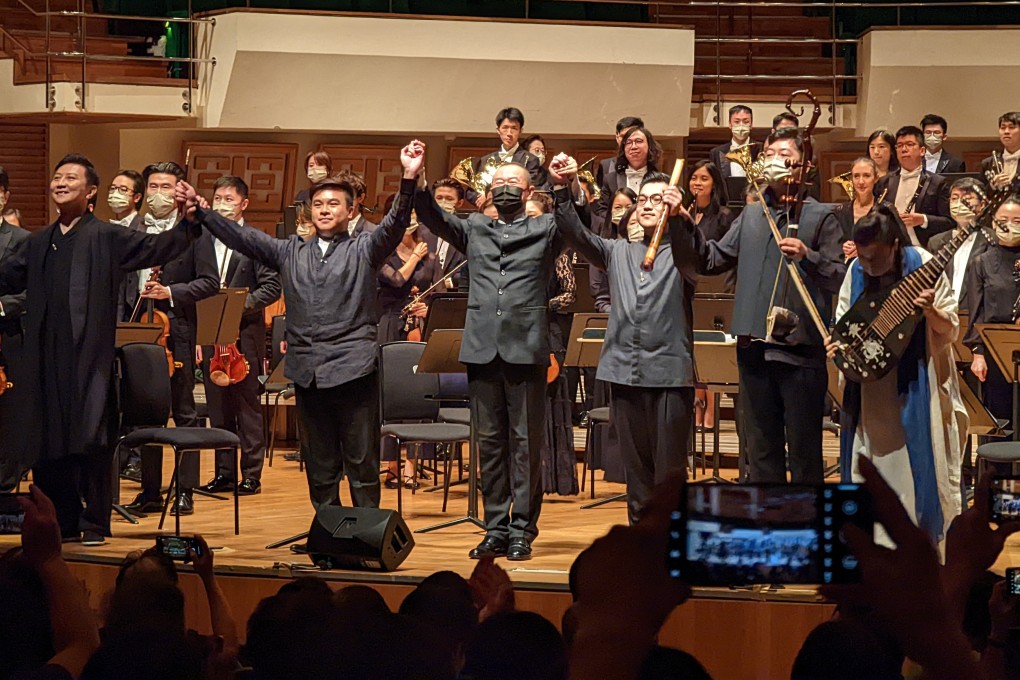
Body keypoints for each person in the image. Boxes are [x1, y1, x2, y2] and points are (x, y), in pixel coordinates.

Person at [177, 140, 425, 511]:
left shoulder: (364, 248)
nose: (324, 209)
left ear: (350, 210)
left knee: (361, 462)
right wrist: (203, 213)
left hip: (354, 368)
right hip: (309, 371)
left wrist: (409, 176)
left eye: (334, 203)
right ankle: (328, 529)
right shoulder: (289, 250)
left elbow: (395, 224)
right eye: (319, 204)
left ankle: (365, 532)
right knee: (320, 465)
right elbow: (243, 237)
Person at [0, 153, 204, 541]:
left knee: (91, 438)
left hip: (88, 360)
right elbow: (6, 276)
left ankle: (93, 521)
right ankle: (57, 522)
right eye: (57, 177)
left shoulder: (108, 236)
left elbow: (158, 247)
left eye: (71, 178)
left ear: (91, 191)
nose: (61, 183)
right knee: (47, 440)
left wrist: (190, 220)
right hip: (44, 359)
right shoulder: (39, 241)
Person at [413, 160, 578, 561]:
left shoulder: (545, 228)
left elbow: (577, 227)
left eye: (513, 181)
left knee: (525, 444)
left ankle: (522, 530)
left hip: (526, 349)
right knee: (488, 444)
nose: (505, 186)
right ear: (489, 190)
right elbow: (432, 216)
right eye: (499, 181)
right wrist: (416, 179)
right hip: (483, 349)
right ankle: (496, 528)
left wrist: (563, 187)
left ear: (527, 191)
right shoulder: (474, 227)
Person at [682, 128, 846, 484]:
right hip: (752, 346)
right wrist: (684, 225)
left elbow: (838, 276)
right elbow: (712, 259)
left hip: (799, 350)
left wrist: (808, 255)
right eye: (768, 154)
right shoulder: (752, 214)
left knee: (803, 452)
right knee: (760, 450)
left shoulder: (822, 215)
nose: (773, 160)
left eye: (783, 155)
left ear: (803, 166)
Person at [551, 155, 698, 524]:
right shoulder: (616, 251)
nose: (647, 205)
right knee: (637, 475)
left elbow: (700, 254)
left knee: (669, 474)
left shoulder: (683, 254)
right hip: (623, 372)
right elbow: (574, 232)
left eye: (657, 199)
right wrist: (562, 188)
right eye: (642, 199)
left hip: (668, 375)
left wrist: (680, 218)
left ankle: (670, 545)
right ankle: (640, 543)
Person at [829, 204, 966, 546]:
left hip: (915, 383)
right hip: (868, 392)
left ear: (894, 246)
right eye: (863, 258)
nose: (868, 265)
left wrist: (930, 310)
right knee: (867, 470)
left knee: (912, 472)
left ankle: (918, 551)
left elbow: (950, 329)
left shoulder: (923, 264)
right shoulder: (855, 271)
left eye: (876, 258)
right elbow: (844, 322)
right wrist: (837, 348)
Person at [125, 161, 219, 518]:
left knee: (184, 412)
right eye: (153, 187)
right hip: (137, 329)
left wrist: (170, 292)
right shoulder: (133, 230)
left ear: (179, 192)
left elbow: (209, 282)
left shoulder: (195, 233)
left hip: (175, 330)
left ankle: (185, 490)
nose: (159, 194)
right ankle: (149, 491)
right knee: (145, 414)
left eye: (167, 187)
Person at [196, 176, 281, 498]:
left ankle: (251, 475)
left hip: (244, 336)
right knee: (218, 409)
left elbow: (271, 288)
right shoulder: (202, 240)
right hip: (211, 334)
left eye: (229, 199)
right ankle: (224, 473)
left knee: (247, 409)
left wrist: (237, 306)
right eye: (218, 198)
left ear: (244, 204)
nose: (222, 204)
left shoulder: (254, 242)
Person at [524, 191, 578, 497]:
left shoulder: (558, 254)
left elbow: (570, 293)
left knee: (549, 404)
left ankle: (553, 478)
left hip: (549, 331)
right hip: (522, 333)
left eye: (533, 215)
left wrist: (541, 306)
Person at [965, 193, 1020, 430]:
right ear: (994, 223)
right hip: (996, 350)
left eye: (1017, 221)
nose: (1010, 226)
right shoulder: (981, 262)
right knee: (1001, 416)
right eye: (1003, 220)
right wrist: (978, 354)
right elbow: (976, 311)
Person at [875, 125, 953, 249]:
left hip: (924, 248)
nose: (904, 149)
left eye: (909, 144)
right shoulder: (884, 182)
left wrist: (923, 219)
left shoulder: (938, 183)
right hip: (892, 249)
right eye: (899, 145)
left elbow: (949, 222)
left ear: (922, 151)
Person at [0, 165, 28, 491]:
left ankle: (5, 492)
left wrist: (2, 305)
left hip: (6, 337)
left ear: (5, 196)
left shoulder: (22, 240)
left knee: (7, 419)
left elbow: (35, 291)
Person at [464, 107, 546, 209]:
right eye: (505, 128)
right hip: (490, 212)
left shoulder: (530, 159)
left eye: (514, 128)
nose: (509, 133)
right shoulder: (485, 160)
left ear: (520, 131)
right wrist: (482, 197)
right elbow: (471, 191)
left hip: (518, 211)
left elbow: (528, 187)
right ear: (498, 130)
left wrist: (493, 195)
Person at [926, 177, 990, 309]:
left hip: (977, 314)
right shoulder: (935, 242)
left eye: (967, 198)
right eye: (954, 198)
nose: (959, 203)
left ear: (982, 205)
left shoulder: (992, 240)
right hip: (941, 313)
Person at [596, 126, 663, 219]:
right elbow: (601, 211)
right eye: (628, 142)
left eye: (639, 141)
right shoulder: (610, 179)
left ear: (650, 146)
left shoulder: (661, 180)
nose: (633, 146)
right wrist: (619, 219)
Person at [108, 169, 146, 325]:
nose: (115, 194)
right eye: (112, 188)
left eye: (123, 189)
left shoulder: (144, 229)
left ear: (137, 197)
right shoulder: (105, 230)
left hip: (133, 310)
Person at [834, 157, 881, 260]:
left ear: (876, 178)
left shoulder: (886, 211)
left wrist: (865, 249)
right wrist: (842, 247)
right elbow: (830, 244)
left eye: (866, 176)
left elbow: (894, 246)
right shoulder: (840, 211)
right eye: (856, 176)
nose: (861, 181)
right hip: (844, 266)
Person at [425, 178, 467, 291]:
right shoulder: (419, 231)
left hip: (451, 295)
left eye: (449, 199)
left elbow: (469, 269)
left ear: (459, 203)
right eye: (439, 198)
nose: (443, 202)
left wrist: (449, 282)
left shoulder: (466, 233)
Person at [710, 105, 759, 179]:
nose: (741, 126)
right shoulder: (716, 153)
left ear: (751, 124)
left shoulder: (761, 149)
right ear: (730, 124)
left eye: (746, 122)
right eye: (737, 122)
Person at [596, 116, 645, 187]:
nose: (627, 141)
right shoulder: (606, 165)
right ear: (617, 137)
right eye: (623, 136)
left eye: (631, 136)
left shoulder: (651, 163)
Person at [983, 111, 1020, 190]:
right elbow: (980, 194)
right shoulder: (988, 163)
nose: (1006, 132)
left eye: (1011, 127)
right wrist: (993, 186)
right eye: (1002, 128)